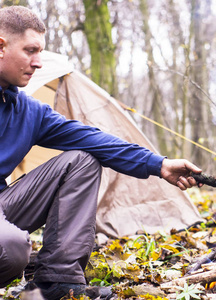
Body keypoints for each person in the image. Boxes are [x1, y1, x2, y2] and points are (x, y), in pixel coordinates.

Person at [0, 5, 202, 299]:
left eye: (40, 52)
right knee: (12, 248)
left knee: (81, 159)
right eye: (30, 50)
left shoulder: (28, 111)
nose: (38, 62)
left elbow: (92, 139)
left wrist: (160, 164)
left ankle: (57, 281)